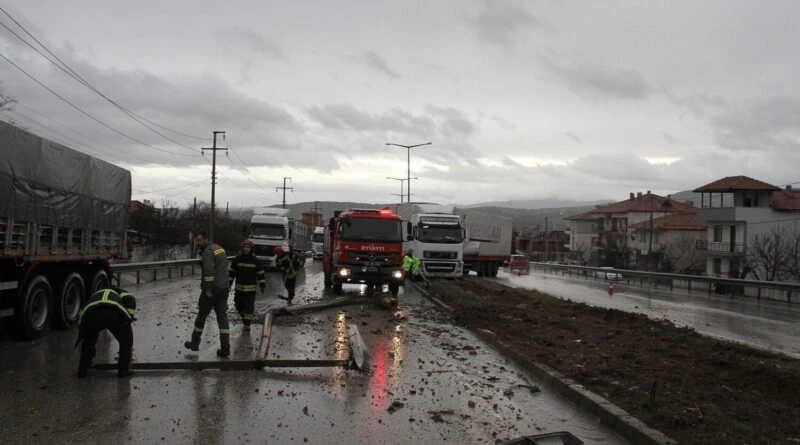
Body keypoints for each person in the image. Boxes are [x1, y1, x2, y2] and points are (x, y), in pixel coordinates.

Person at [185, 232, 231, 357]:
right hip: (223, 288)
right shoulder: (219, 248)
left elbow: (209, 271)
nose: (197, 243)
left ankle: (194, 343)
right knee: (222, 319)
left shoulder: (207, 252)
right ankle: (225, 348)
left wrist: (208, 289)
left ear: (206, 239)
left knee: (201, 315)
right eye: (196, 241)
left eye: (199, 240)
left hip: (212, 289)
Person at [75, 286, 136, 379]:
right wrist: (129, 318)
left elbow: (83, 312)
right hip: (113, 313)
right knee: (126, 341)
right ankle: (123, 370)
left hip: (92, 314)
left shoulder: (95, 295)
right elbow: (130, 299)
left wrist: (84, 331)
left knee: (88, 341)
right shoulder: (121, 292)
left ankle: (83, 369)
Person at [229, 239, 266, 331]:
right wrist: (229, 284)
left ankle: (247, 324)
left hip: (251, 290)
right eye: (244, 247)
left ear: (251, 249)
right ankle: (244, 316)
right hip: (239, 289)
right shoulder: (237, 259)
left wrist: (262, 286)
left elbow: (260, 274)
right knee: (238, 305)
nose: (246, 249)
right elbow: (231, 273)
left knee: (249, 307)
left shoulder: (255, 261)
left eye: (248, 247)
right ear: (242, 248)